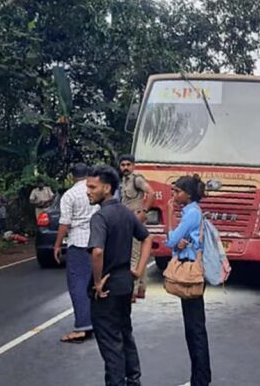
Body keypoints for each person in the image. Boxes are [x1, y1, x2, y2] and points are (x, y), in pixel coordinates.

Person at [87, 166, 153, 386]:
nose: (88, 191)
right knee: (125, 334)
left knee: (110, 343)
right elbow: (147, 239)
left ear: (107, 188)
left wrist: (97, 282)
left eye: (92, 187)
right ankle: (134, 380)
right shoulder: (126, 212)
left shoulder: (100, 217)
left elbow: (97, 251)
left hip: (107, 287)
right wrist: (138, 269)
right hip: (125, 283)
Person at [165, 175, 212, 386]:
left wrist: (168, 215)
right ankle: (199, 378)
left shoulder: (191, 213)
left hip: (191, 273)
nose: (174, 195)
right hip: (192, 270)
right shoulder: (192, 212)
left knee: (195, 330)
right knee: (194, 328)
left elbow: (171, 241)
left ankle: (200, 380)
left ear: (189, 194)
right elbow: (176, 244)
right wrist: (177, 244)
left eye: (177, 192)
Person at [54, 163, 99, 343]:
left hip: (79, 244)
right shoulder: (95, 190)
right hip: (97, 241)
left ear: (72, 176)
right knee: (95, 283)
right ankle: (96, 322)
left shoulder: (70, 195)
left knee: (78, 285)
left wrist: (57, 244)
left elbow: (65, 222)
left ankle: (82, 326)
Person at [118, 154, 156, 302]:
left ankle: (132, 292)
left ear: (133, 166)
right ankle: (141, 288)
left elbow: (151, 192)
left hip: (135, 221)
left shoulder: (136, 179)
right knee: (139, 256)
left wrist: (144, 211)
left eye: (128, 164)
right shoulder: (123, 181)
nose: (125, 167)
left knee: (133, 255)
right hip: (127, 220)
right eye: (123, 165)